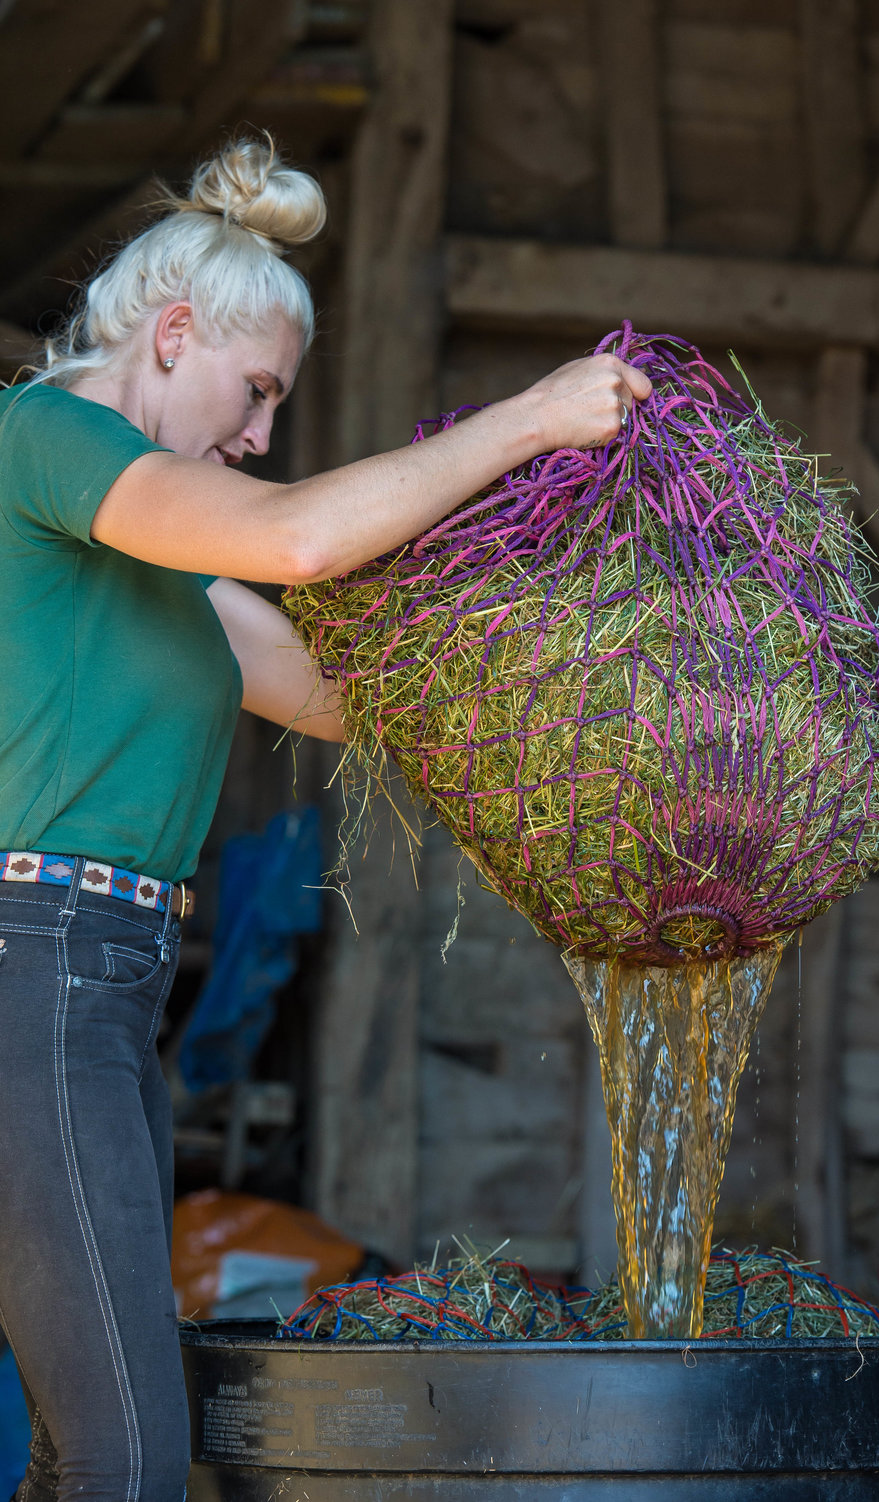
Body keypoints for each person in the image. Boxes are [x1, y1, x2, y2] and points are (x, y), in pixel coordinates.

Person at [0, 135, 651, 1500]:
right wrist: (527, 418)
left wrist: (568, 676)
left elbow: (336, 694)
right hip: (35, 961)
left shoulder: (156, 565)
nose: (258, 434)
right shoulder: (48, 436)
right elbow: (295, 538)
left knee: (103, 1440)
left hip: (99, 985)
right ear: (171, 337)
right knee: (120, 1454)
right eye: (256, 393)